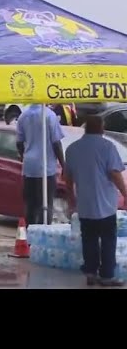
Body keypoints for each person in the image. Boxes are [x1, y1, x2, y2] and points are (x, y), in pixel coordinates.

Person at [64, 116, 127, 286]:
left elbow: (68, 178)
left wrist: (71, 198)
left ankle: (90, 272)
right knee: (108, 239)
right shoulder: (107, 147)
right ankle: (106, 275)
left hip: (85, 204)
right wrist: (125, 193)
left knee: (89, 239)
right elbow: (115, 173)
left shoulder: (72, 149)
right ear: (100, 128)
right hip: (106, 205)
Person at [16, 104, 66, 226]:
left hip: (29, 167)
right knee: (46, 204)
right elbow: (56, 143)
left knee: (31, 205)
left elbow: (19, 142)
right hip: (46, 167)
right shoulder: (49, 115)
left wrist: (24, 156)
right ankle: (43, 232)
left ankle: (30, 236)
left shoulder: (23, 116)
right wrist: (64, 165)